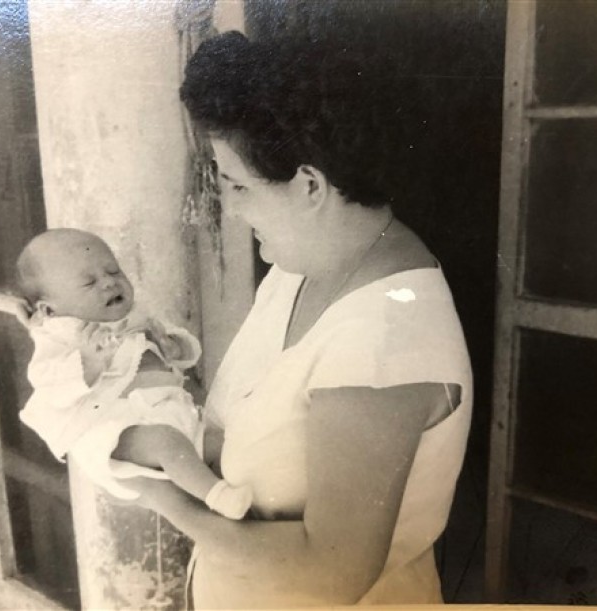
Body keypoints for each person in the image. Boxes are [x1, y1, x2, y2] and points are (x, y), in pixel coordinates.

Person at [118, 31, 472, 607]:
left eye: (236, 185)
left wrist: (159, 497)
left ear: (310, 185)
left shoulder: (385, 338)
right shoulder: (298, 270)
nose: (229, 208)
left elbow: (331, 574)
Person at [15, 228, 252, 520]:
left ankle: (250, 501)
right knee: (168, 444)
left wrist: (173, 345)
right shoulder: (59, 336)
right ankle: (217, 497)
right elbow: (47, 382)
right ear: (50, 309)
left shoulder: (136, 315)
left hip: (171, 414)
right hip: (116, 430)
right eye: (89, 283)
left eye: (113, 271)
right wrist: (88, 364)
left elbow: (183, 351)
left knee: (225, 442)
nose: (109, 283)